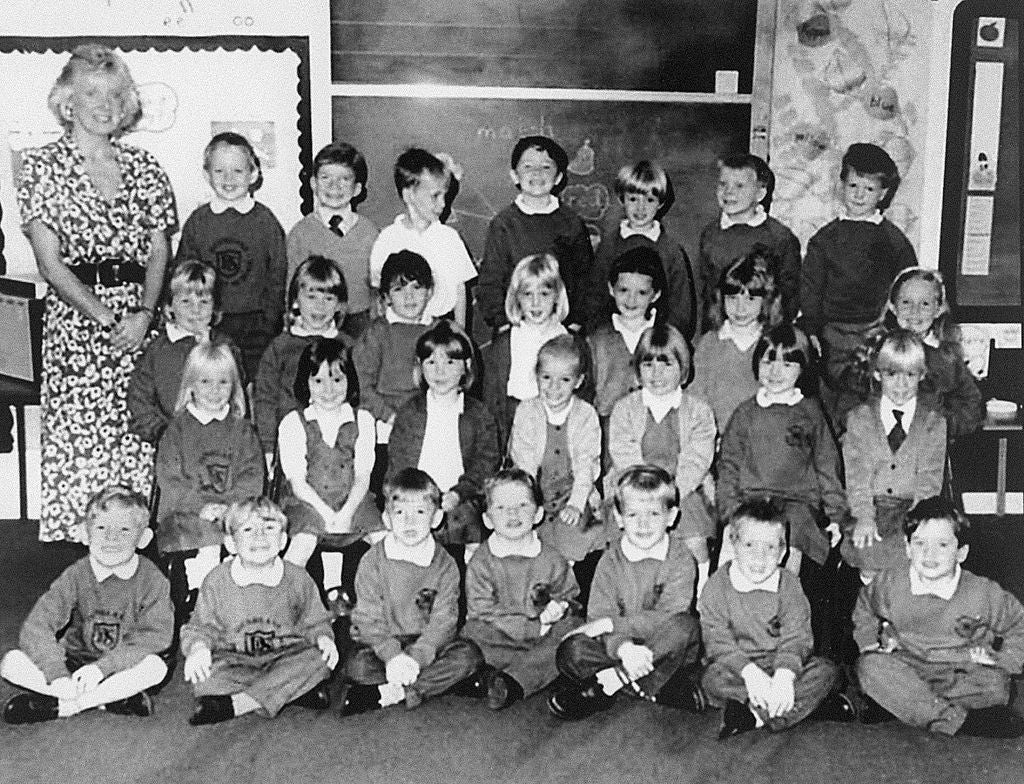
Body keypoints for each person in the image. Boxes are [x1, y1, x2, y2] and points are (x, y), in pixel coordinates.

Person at [17, 43, 177, 543]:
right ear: (68, 101)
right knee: (83, 456)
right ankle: (88, 580)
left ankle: (135, 568)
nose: (104, 105)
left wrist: (144, 314)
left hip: (139, 324)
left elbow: (158, 252)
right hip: (79, 326)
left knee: (135, 444)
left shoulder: (147, 167)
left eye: (114, 94)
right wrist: (110, 320)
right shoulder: (41, 167)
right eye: (91, 93)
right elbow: (50, 264)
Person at [854, 497, 1024, 738]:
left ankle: (908, 706)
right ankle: (956, 720)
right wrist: (870, 643)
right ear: (907, 547)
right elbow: (864, 606)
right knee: (869, 668)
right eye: (920, 543)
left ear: (961, 553)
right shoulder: (890, 583)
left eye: (942, 545)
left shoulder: (982, 592)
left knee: (998, 686)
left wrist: (1003, 659)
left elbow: (1018, 622)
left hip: (959, 669)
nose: (929, 554)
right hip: (907, 664)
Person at [1, 487, 172, 724]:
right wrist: (56, 674)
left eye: (124, 530)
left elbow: (156, 636)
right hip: (72, 664)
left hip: (121, 665)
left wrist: (103, 668)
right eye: (101, 528)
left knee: (155, 667)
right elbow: (37, 625)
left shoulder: (153, 580)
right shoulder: (76, 575)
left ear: (143, 538)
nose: (111, 539)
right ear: (85, 533)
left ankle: (66, 706)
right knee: (10, 662)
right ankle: (107, 698)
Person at [548, 465, 705, 720]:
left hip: (664, 647)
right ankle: (649, 686)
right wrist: (623, 649)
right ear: (619, 518)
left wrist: (610, 624)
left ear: (672, 516)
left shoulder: (681, 559)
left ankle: (611, 683)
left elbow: (667, 616)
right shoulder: (609, 562)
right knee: (571, 651)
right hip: (618, 649)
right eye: (632, 515)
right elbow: (598, 614)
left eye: (654, 514)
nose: (643, 524)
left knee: (686, 627)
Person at [699, 498, 855, 739]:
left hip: (783, 663)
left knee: (825, 671)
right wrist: (750, 674)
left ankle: (755, 716)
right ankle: (798, 707)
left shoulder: (789, 585)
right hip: (738, 667)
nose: (759, 557)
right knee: (712, 680)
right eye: (750, 545)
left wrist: (784, 676)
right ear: (733, 544)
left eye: (770, 547)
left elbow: (798, 636)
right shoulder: (717, 586)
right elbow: (717, 640)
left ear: (782, 552)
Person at [339, 468, 484, 715]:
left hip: (428, 643)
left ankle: (395, 693)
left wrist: (417, 657)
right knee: (356, 667)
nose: (409, 522)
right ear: (386, 519)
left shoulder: (446, 564)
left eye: (419, 512)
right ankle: (436, 683)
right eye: (400, 513)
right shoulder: (372, 560)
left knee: (469, 656)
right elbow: (367, 618)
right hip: (384, 641)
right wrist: (392, 655)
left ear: (437, 518)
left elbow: (444, 621)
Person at [181, 498, 338, 725]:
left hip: (285, 655)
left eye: (269, 528)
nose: (259, 536)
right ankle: (290, 692)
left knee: (319, 660)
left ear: (283, 540)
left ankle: (237, 704)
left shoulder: (298, 578)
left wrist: (323, 638)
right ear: (231, 544)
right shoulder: (216, 580)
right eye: (247, 529)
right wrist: (198, 648)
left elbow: (314, 620)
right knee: (206, 675)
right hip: (235, 659)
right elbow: (200, 627)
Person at [717, 324, 846, 579]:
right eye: (768, 361)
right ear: (757, 363)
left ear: (803, 368)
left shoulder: (811, 413)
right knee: (736, 544)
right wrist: (731, 509)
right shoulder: (745, 414)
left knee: (791, 535)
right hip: (749, 500)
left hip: (796, 503)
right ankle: (725, 604)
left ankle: (784, 602)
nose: (776, 371)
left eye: (788, 364)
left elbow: (827, 466)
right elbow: (728, 465)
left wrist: (835, 514)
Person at [799, 143, 916, 424]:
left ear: (883, 194)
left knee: (866, 412)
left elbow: (907, 286)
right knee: (826, 412)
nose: (859, 194)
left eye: (869, 188)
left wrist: (894, 330)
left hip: (875, 337)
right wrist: (812, 329)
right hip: (830, 338)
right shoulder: (825, 239)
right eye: (853, 185)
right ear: (841, 186)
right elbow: (811, 289)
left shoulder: (893, 240)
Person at [155, 342, 264, 632]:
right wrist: (201, 506)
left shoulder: (242, 430)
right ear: (190, 385)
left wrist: (230, 505)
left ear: (234, 386)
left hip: (231, 509)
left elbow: (252, 475)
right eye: (205, 382)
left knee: (249, 533)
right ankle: (201, 597)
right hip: (187, 513)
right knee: (204, 536)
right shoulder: (176, 431)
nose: (214, 390)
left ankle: (241, 602)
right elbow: (169, 478)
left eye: (223, 382)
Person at [606, 324, 715, 589]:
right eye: (648, 365)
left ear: (683, 368)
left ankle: (699, 593)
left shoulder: (698, 411)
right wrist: (643, 491)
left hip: (681, 488)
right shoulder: (625, 408)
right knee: (624, 536)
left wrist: (674, 490)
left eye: (666, 365)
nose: (656, 374)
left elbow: (697, 457)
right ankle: (629, 589)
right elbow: (622, 449)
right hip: (634, 484)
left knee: (694, 538)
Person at [463, 469, 583, 710]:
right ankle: (536, 672)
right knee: (472, 632)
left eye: (522, 505)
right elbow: (482, 612)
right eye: (501, 508)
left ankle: (511, 681)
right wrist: (533, 628)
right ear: (487, 519)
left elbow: (572, 599)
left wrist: (561, 607)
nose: (512, 513)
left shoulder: (552, 558)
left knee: (575, 629)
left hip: (545, 637)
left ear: (538, 514)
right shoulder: (482, 561)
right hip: (501, 638)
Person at [175, 131, 287, 380]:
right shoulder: (199, 221)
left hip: (256, 323)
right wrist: (193, 318)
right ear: (206, 174)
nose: (228, 179)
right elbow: (183, 274)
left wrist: (270, 320)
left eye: (237, 171)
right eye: (219, 171)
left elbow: (277, 273)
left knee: (255, 383)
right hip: (210, 322)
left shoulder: (265, 221)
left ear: (253, 174)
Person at [841, 329, 946, 583]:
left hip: (912, 509)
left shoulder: (933, 423)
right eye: (891, 374)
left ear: (922, 375)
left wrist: (917, 523)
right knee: (868, 553)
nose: (901, 385)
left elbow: (929, 482)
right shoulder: (860, 418)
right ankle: (871, 609)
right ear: (877, 374)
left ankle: (898, 616)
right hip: (870, 506)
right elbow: (856, 476)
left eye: (910, 375)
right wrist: (864, 517)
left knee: (910, 558)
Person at [388, 321, 500, 557]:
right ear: (420, 367)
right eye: (431, 363)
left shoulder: (478, 413)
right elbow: (398, 463)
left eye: (450, 362)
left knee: (471, 525)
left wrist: (459, 492)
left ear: (465, 367)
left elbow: (486, 461)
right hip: (416, 498)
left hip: (463, 497)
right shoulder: (410, 412)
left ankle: (472, 579)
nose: (440, 372)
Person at [276, 337, 382, 581]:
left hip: (354, 500)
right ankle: (281, 599)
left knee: (385, 545)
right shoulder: (293, 422)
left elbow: (364, 476)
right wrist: (326, 515)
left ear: (349, 381)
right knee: (302, 544)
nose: (328, 390)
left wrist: (346, 514)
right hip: (308, 503)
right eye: (318, 381)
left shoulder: (363, 420)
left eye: (336, 380)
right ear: (306, 382)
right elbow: (297, 482)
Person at [508, 335, 604, 598]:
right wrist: (528, 502)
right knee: (526, 537)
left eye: (565, 380)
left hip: (572, 492)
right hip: (536, 492)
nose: (554, 388)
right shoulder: (527, 411)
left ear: (578, 382)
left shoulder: (585, 414)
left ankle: (567, 593)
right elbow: (523, 463)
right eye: (546, 378)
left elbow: (587, 465)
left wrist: (576, 501)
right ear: (536, 376)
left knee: (572, 535)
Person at [847, 267, 983, 441]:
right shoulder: (875, 351)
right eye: (906, 303)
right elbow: (853, 398)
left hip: (930, 449)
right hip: (879, 446)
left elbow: (970, 402)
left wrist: (942, 426)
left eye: (925, 304)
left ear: (938, 309)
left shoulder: (947, 357)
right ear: (893, 307)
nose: (915, 311)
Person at [477, 135, 594, 333]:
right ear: (515, 175)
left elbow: (586, 277)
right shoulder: (504, 224)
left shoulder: (571, 222)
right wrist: (502, 322)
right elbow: (491, 280)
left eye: (546, 167)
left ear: (558, 177)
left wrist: (576, 321)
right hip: (515, 328)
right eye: (528, 167)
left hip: (561, 329)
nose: (537, 173)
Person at [128, 259, 241, 445]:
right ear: (169, 307)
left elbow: (236, 392)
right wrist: (161, 432)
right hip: (172, 441)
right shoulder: (158, 349)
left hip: (219, 439)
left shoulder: (224, 345)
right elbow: (139, 399)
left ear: (215, 307)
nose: (195, 310)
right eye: (186, 301)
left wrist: (208, 348)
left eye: (204, 301)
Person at [254, 254, 351, 467]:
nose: (320, 307)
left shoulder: (347, 346)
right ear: (296, 300)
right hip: (289, 444)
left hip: (336, 445)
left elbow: (357, 397)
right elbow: (265, 399)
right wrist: (268, 446)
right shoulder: (280, 347)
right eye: (311, 297)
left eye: (329, 299)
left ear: (339, 305)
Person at [368, 148, 477, 327]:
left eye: (445, 196)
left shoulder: (449, 238)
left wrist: (461, 332)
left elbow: (460, 291)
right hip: (400, 328)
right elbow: (377, 292)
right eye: (435, 196)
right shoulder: (388, 239)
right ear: (409, 195)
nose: (443, 204)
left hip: (442, 329)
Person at [588, 160, 696, 339]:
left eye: (650, 200)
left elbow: (681, 309)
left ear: (660, 203)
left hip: (657, 344)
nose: (640, 208)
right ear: (622, 199)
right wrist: (605, 336)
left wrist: (662, 341)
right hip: (613, 340)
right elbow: (594, 298)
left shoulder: (671, 250)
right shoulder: (609, 246)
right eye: (633, 199)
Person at [695, 153, 800, 331]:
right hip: (720, 333)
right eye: (723, 184)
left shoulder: (779, 237)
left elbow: (789, 293)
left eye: (739, 186)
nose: (728, 191)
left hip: (764, 334)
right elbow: (705, 291)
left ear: (760, 193)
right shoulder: (710, 235)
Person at [286, 141, 377, 339]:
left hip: (359, 322)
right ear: (313, 183)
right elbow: (291, 290)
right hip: (315, 320)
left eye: (344, 179)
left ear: (357, 189)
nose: (334, 186)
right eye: (325, 177)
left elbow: (377, 286)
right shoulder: (301, 233)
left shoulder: (369, 232)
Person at [480, 252, 569, 447]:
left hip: (556, 427)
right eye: (528, 294)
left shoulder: (570, 343)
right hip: (514, 425)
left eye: (544, 294)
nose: (536, 303)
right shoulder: (505, 343)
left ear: (556, 297)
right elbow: (491, 400)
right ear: (517, 298)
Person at [691, 249, 781, 434]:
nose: (740, 308)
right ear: (720, 298)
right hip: (716, 437)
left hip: (762, 435)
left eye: (750, 298)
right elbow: (695, 398)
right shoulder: (709, 344)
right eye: (732, 298)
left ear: (766, 300)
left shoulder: (773, 343)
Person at [353, 250, 436, 447]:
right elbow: (360, 385)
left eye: (417, 287)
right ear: (386, 297)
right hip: (384, 424)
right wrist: (389, 416)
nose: (409, 297)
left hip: (430, 421)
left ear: (430, 292)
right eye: (399, 290)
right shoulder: (376, 334)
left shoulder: (442, 332)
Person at [587, 246, 667, 429]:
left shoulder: (667, 338)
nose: (631, 300)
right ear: (610, 289)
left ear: (656, 295)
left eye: (641, 293)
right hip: (607, 431)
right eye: (623, 290)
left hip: (654, 429)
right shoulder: (596, 341)